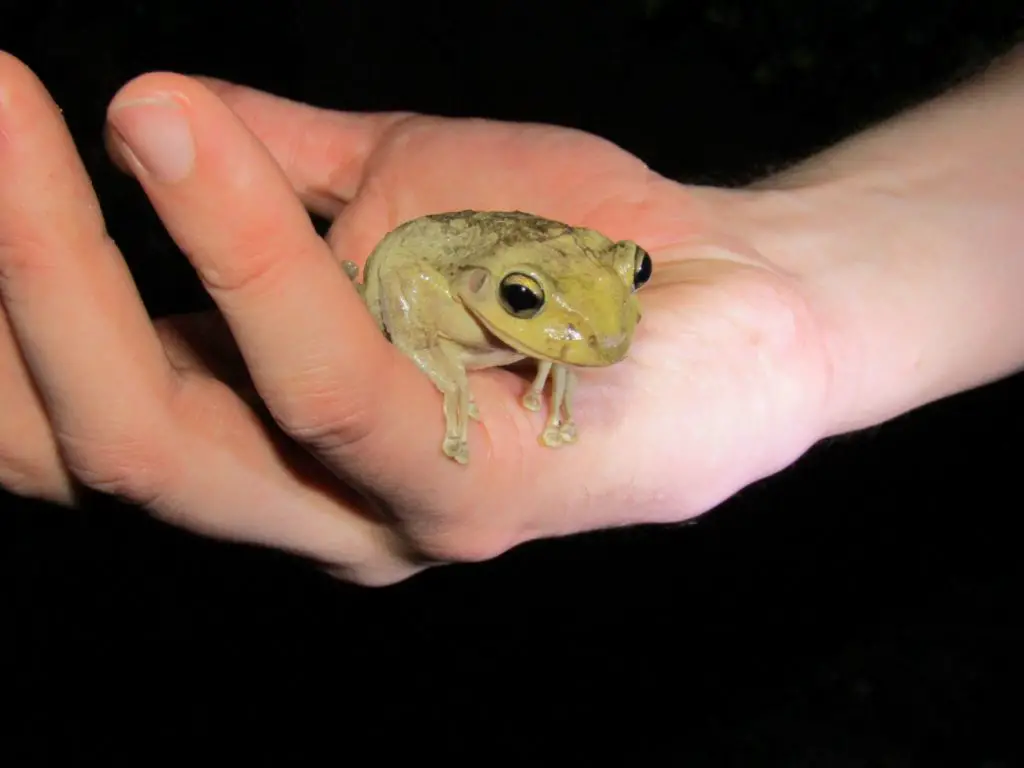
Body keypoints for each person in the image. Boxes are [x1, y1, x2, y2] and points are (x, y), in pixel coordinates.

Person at [1, 45, 1021, 586]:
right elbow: (405, 263)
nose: (609, 327)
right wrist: (441, 367)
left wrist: (786, 308)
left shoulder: (584, 300)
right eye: (531, 308)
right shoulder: (462, 279)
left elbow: (583, 297)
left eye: (633, 278)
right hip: (430, 265)